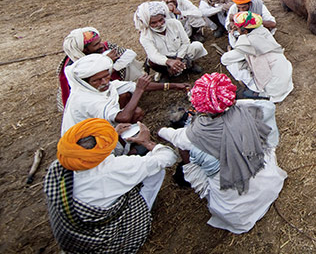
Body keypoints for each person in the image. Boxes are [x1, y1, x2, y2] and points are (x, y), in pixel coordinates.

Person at [158, 73, 286, 234]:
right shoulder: (251, 109)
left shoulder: (193, 134)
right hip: (269, 184)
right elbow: (269, 129)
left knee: (192, 155)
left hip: (238, 213)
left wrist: (158, 132)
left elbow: (173, 137)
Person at [45, 118, 177, 254]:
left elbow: (96, 157)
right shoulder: (114, 169)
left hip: (75, 240)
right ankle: (146, 209)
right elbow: (169, 157)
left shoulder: (59, 165)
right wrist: (147, 142)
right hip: (105, 244)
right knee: (156, 171)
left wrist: (113, 135)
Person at [61, 53, 189, 134]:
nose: (105, 81)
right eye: (97, 80)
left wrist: (175, 85)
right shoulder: (86, 99)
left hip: (102, 127)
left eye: (107, 76)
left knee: (136, 110)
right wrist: (139, 90)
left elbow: (136, 86)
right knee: (135, 112)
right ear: (85, 82)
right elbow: (123, 118)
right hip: (87, 139)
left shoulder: (103, 86)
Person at [58, 27, 143, 111]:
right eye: (96, 44)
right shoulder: (74, 68)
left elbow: (129, 54)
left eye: (99, 42)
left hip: (108, 85)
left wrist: (112, 68)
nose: (101, 45)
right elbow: (85, 89)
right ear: (85, 50)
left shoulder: (105, 47)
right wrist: (105, 61)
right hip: (93, 95)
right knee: (124, 95)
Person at [221, 12, 293, 103]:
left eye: (238, 28)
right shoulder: (263, 31)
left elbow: (224, 59)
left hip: (274, 88)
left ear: (245, 31)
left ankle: (260, 93)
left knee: (233, 63)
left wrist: (233, 36)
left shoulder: (247, 43)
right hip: (286, 80)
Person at [134, 1, 207, 81]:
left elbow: (185, 42)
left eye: (161, 20)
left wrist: (178, 60)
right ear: (147, 22)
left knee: (197, 46)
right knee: (152, 61)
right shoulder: (145, 35)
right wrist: (168, 61)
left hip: (180, 54)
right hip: (165, 59)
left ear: (164, 16)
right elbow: (153, 55)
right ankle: (166, 73)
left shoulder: (174, 23)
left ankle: (190, 65)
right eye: (153, 23)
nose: (159, 24)